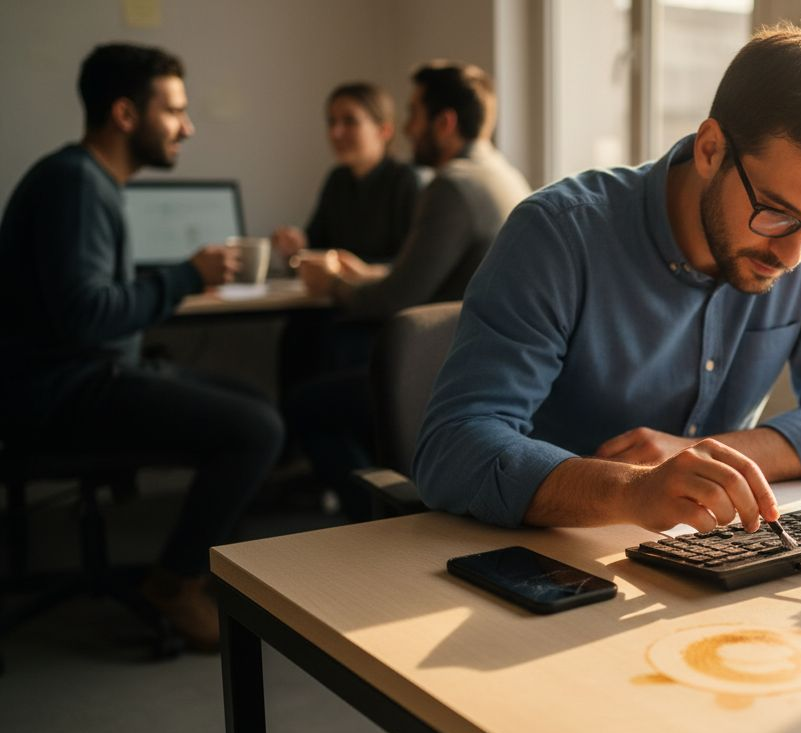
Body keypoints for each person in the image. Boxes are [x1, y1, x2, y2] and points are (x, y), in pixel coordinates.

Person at [412, 25, 801, 535]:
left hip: (700, 556)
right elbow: (454, 445)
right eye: (774, 213)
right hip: (545, 557)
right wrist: (631, 490)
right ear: (711, 150)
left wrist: (701, 458)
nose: (794, 255)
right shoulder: (559, 235)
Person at [0, 44, 284, 651]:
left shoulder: (85, 180)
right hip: (60, 395)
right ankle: (176, 584)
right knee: (255, 429)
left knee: (254, 403)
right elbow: (87, 316)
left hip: (82, 378)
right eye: (175, 110)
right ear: (126, 115)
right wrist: (186, 275)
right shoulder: (77, 185)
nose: (189, 126)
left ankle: (187, 572)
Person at [286, 61, 531, 520]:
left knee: (305, 403)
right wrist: (367, 274)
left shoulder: (451, 186)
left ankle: (375, 526)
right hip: (503, 368)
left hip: (449, 373)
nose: (405, 127)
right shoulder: (503, 175)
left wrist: (335, 284)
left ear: (445, 122)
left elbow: (396, 302)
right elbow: (429, 278)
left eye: (413, 113)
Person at [271, 82, 420, 265]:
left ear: (384, 130)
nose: (336, 133)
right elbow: (315, 242)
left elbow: (410, 264)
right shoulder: (337, 179)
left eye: (350, 121)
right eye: (331, 122)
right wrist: (297, 243)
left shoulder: (405, 180)